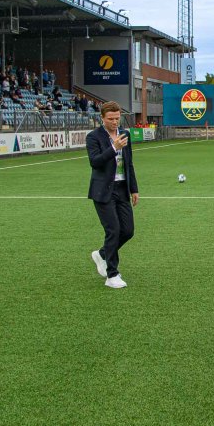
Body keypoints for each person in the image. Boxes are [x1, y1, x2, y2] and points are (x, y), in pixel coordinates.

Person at [86, 101, 139, 289]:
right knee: (113, 230)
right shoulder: (93, 137)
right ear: (102, 118)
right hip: (103, 190)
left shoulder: (125, 134)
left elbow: (129, 163)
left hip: (122, 188)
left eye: (117, 118)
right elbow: (95, 162)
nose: (115, 122)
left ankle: (102, 254)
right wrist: (114, 148)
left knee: (128, 231)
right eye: (111, 119)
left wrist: (134, 189)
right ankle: (112, 274)